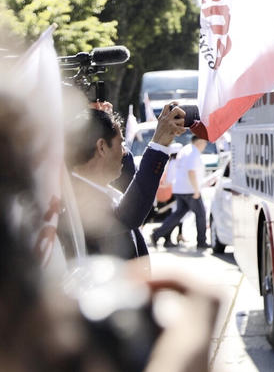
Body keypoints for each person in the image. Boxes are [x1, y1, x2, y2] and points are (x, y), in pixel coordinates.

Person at [67, 103, 186, 261]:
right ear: (101, 147)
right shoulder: (75, 197)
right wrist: (159, 144)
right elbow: (127, 216)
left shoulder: (97, 189)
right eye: (121, 144)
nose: (124, 152)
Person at [151, 134, 209, 250]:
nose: (205, 146)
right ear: (200, 141)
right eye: (205, 143)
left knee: (178, 214)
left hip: (180, 188)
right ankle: (201, 241)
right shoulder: (193, 152)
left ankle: (157, 234)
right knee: (201, 214)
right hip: (189, 189)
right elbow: (191, 172)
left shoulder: (185, 149)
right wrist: (196, 190)